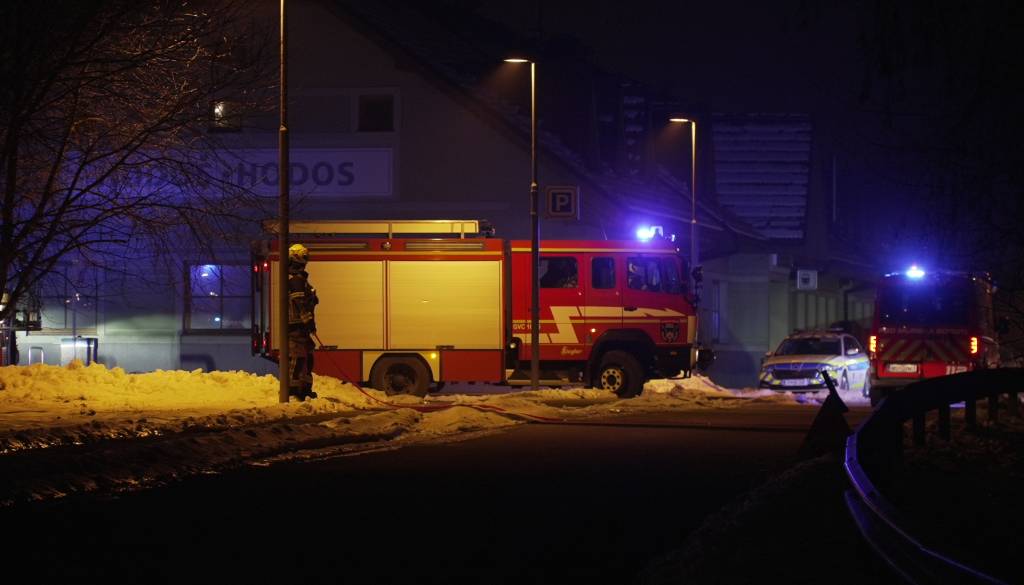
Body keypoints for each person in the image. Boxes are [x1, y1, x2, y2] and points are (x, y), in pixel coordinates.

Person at [287, 243, 318, 401]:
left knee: (308, 355)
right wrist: (309, 322)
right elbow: (300, 304)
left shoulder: (299, 280)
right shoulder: (297, 281)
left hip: (301, 327)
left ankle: (304, 388)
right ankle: (293, 391)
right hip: (297, 327)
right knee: (298, 357)